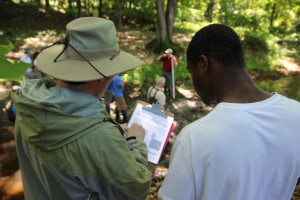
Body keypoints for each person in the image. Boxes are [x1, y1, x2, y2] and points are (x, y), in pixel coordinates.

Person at [11, 17, 152, 200]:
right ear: (104, 76)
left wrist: (113, 139)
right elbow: (136, 190)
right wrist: (135, 142)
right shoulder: (99, 136)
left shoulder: (27, 107)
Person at [158, 24, 300, 199]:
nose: (193, 80)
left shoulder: (192, 139)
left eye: (191, 71)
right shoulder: (296, 114)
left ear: (203, 64)